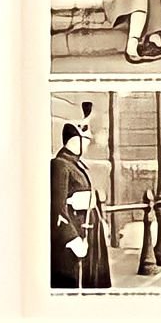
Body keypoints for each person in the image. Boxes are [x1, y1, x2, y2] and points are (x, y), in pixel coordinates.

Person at [50, 118, 111, 289]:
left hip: (88, 230)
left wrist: (101, 221)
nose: (87, 144)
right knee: (73, 282)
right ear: (76, 139)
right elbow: (57, 207)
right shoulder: (59, 165)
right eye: (86, 140)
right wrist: (71, 238)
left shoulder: (75, 165)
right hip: (75, 233)